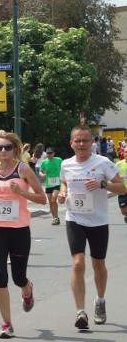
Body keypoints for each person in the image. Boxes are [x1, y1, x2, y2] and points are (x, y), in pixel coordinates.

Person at [0, 131, 46, 338]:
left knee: (18, 277)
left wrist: (22, 192)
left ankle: (27, 289)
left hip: (19, 230)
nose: (3, 151)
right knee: (0, 276)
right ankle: (6, 323)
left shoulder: (23, 169)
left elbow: (42, 198)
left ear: (15, 149)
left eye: (7, 147)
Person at [56, 126, 126, 329]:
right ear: (71, 143)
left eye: (85, 140)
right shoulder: (66, 164)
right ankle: (80, 312)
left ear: (91, 142)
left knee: (98, 265)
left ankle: (100, 301)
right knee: (78, 264)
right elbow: (64, 185)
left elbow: (122, 187)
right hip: (74, 218)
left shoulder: (103, 162)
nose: (81, 144)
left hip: (98, 221)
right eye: (77, 141)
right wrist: (62, 194)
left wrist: (102, 184)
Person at [38, 147, 63, 224]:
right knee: (50, 201)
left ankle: (56, 216)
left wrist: (63, 176)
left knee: (53, 199)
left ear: (53, 154)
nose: (49, 155)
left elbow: (63, 168)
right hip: (48, 183)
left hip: (57, 182)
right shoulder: (44, 162)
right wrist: (42, 174)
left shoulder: (58, 160)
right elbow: (40, 171)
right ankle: (54, 218)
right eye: (48, 153)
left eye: (50, 153)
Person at [117, 153, 127, 223]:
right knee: (124, 211)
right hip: (123, 190)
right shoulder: (118, 164)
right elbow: (113, 176)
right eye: (126, 152)